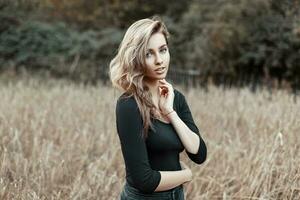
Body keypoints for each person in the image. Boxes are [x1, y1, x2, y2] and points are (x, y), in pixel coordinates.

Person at [109, 16, 207, 200]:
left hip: (177, 196)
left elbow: (199, 153)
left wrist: (170, 112)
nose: (159, 60)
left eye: (163, 50)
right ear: (136, 58)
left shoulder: (176, 98)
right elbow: (144, 180)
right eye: (148, 54)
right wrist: (185, 175)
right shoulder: (129, 104)